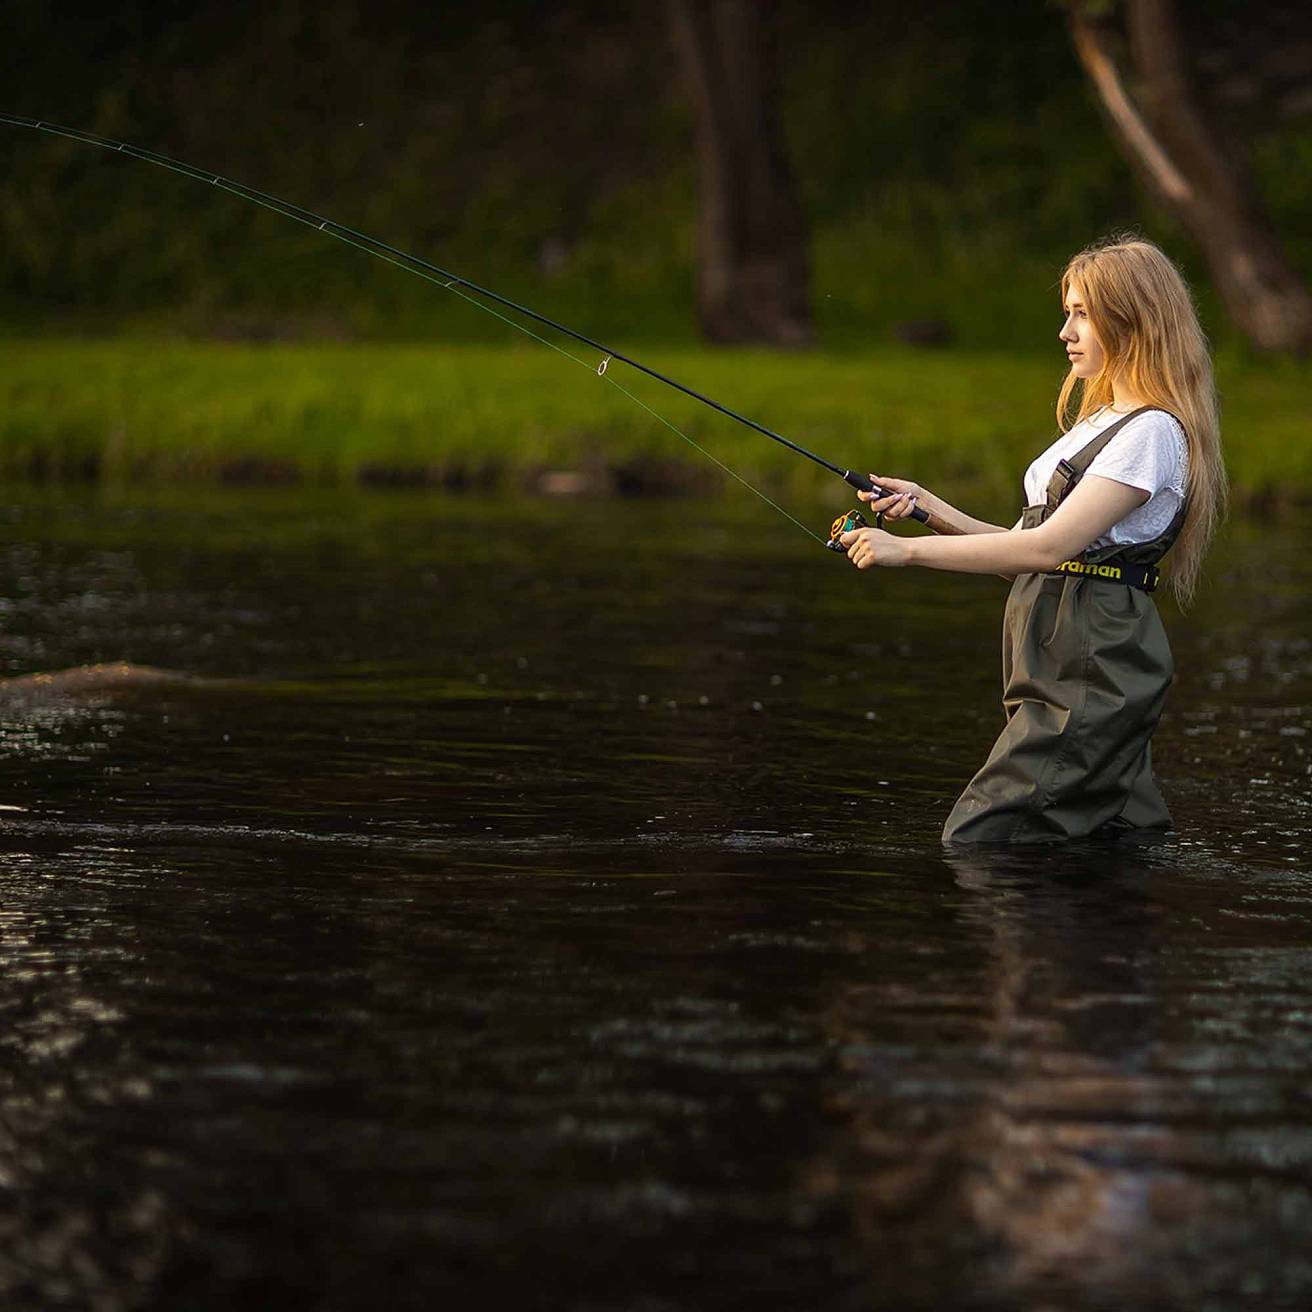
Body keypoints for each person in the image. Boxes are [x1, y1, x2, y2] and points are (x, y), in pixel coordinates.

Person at [839, 236, 1225, 844]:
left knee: (981, 837)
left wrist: (904, 551)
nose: (1064, 331)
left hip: (1091, 660)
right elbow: (1029, 551)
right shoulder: (1101, 425)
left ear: (1134, 320)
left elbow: (1043, 552)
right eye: (1067, 312)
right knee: (1114, 840)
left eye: (1081, 313)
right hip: (1060, 656)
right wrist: (929, 510)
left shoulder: (1152, 433)